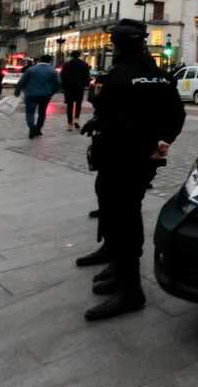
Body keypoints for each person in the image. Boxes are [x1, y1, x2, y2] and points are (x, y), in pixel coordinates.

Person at [75, 19, 185, 321]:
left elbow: (113, 110)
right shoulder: (156, 75)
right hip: (133, 154)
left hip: (124, 155)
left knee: (123, 214)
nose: (113, 45)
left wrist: (156, 140)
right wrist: (164, 140)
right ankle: (115, 261)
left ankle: (130, 288)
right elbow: (175, 114)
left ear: (123, 43)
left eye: (116, 41)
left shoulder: (125, 73)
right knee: (115, 206)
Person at [17, 55, 61, 138]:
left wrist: (17, 91)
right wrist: (52, 92)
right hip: (45, 95)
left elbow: (22, 81)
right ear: (50, 61)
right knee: (42, 112)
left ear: (40, 60)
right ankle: (38, 129)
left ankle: (32, 127)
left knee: (30, 112)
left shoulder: (31, 69)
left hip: (31, 94)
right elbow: (58, 84)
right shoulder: (53, 71)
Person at [60, 51, 91, 131]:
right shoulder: (84, 64)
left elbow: (62, 76)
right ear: (79, 55)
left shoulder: (66, 64)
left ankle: (69, 124)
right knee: (78, 104)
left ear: (71, 55)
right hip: (79, 87)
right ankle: (77, 119)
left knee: (69, 106)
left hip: (69, 87)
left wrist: (63, 86)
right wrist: (85, 85)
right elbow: (87, 77)